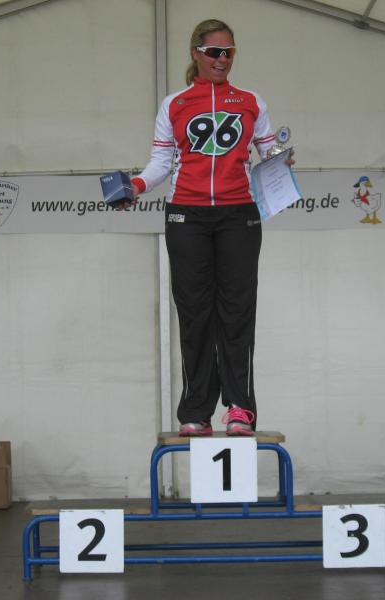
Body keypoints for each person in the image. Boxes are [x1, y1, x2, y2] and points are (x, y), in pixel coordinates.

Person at [131, 19, 292, 437]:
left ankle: (240, 408)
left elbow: (268, 149)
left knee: (237, 311)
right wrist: (135, 186)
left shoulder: (251, 101)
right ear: (196, 53)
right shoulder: (175, 103)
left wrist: (281, 155)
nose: (222, 59)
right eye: (214, 52)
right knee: (195, 313)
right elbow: (160, 163)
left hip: (239, 215)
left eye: (229, 52)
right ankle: (196, 410)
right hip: (187, 215)